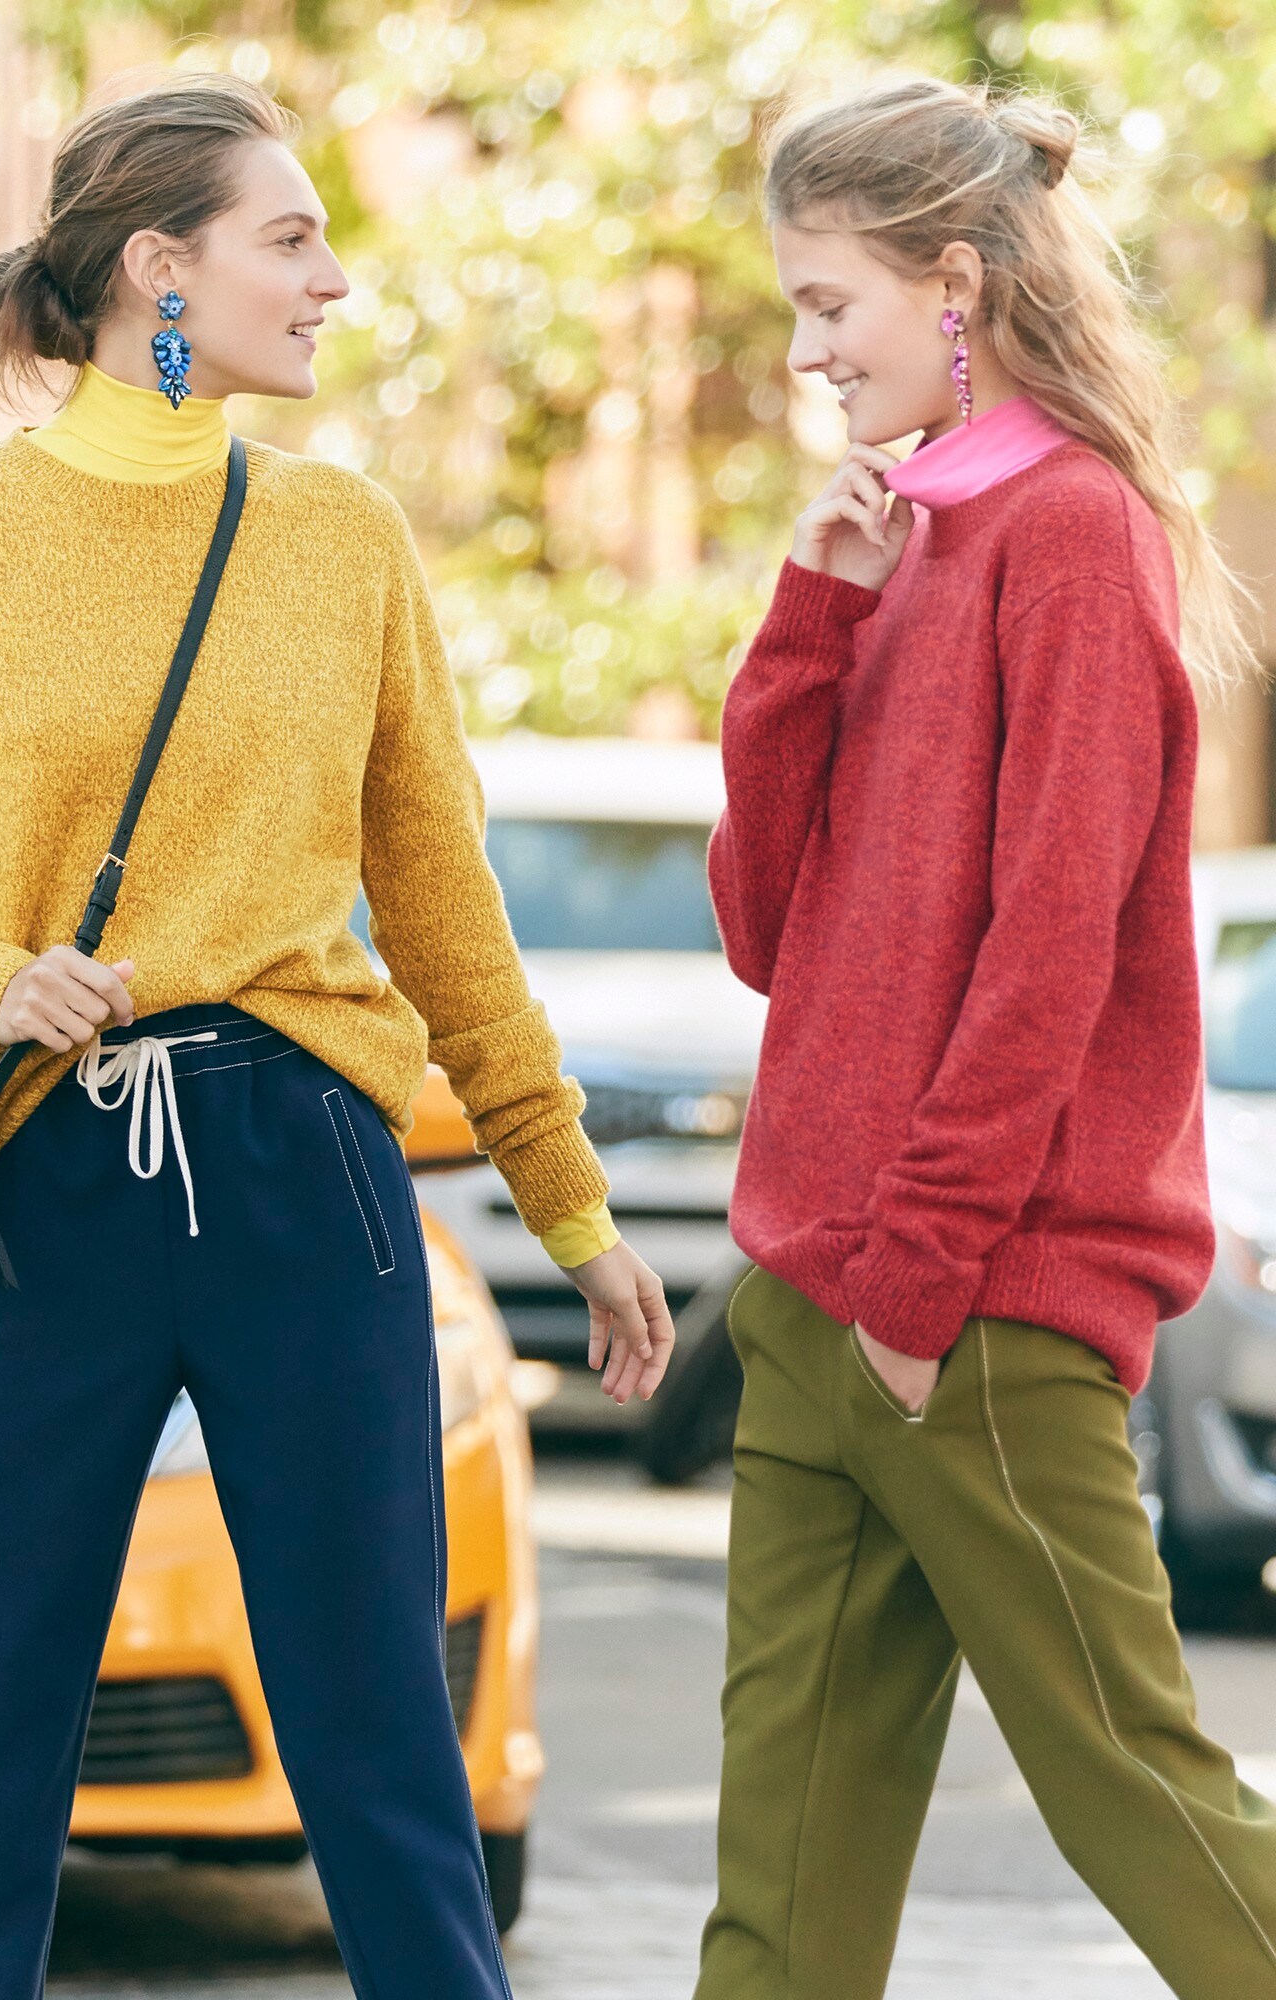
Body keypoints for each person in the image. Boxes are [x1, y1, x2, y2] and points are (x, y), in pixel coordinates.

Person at [0, 72, 674, 2000]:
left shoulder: (344, 542)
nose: (336, 279)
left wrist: (567, 1203)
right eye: (293, 237)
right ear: (158, 271)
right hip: (32, 1182)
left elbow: (440, 905)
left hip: (302, 1178)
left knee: (386, 1770)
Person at [698, 75, 1276, 1999]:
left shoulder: (1078, 537)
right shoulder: (906, 541)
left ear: (954, 286)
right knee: (779, 1893)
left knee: (1149, 1806)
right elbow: (772, 933)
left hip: (978, 1305)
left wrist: (924, 1279)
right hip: (814, 1294)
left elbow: (1055, 955)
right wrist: (808, 619)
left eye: (826, 306)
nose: (803, 354)